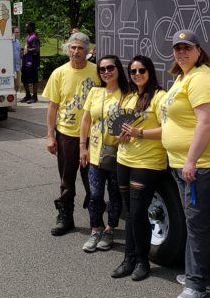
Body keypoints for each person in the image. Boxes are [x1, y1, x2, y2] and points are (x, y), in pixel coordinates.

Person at [159, 30, 210, 298]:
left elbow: (206, 123)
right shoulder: (183, 77)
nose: (181, 52)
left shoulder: (202, 79)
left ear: (199, 51)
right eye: (177, 48)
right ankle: (206, 275)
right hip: (185, 164)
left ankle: (196, 284)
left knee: (197, 224)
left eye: (187, 48)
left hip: (202, 165)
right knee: (199, 223)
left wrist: (190, 160)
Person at [115, 55, 166, 281]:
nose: (137, 75)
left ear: (150, 71)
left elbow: (169, 129)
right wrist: (122, 136)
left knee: (137, 213)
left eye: (142, 71)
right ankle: (129, 259)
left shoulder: (160, 96)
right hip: (124, 159)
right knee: (129, 213)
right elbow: (117, 128)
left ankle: (143, 261)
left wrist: (140, 133)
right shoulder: (128, 96)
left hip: (147, 162)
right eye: (133, 71)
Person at [42, 32, 99, 235]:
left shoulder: (97, 71)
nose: (76, 52)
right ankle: (65, 217)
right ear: (68, 50)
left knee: (93, 180)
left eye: (80, 48)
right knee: (67, 180)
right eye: (72, 48)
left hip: (93, 136)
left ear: (87, 51)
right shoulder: (59, 73)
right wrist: (50, 135)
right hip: (66, 134)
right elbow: (53, 107)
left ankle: (97, 220)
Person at [78, 55, 129, 253]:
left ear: (118, 69)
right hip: (94, 153)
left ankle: (109, 229)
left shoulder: (127, 94)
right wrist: (82, 146)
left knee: (115, 194)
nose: (106, 72)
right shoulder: (95, 92)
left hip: (117, 153)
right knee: (95, 194)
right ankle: (95, 229)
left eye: (110, 68)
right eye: (102, 69)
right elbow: (85, 121)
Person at [20, 21, 40, 103]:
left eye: (27, 26)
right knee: (24, 79)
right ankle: (28, 95)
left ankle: (34, 96)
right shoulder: (28, 36)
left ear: (31, 27)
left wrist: (27, 50)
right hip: (25, 61)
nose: (26, 28)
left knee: (34, 79)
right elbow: (26, 46)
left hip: (32, 61)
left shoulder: (35, 37)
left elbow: (37, 49)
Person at [12, 26, 22, 93]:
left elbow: (19, 52)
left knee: (18, 84)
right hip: (11, 67)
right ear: (12, 33)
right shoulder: (8, 42)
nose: (18, 34)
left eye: (18, 32)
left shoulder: (18, 41)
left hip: (17, 66)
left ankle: (15, 94)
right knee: (11, 84)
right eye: (16, 32)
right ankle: (13, 97)